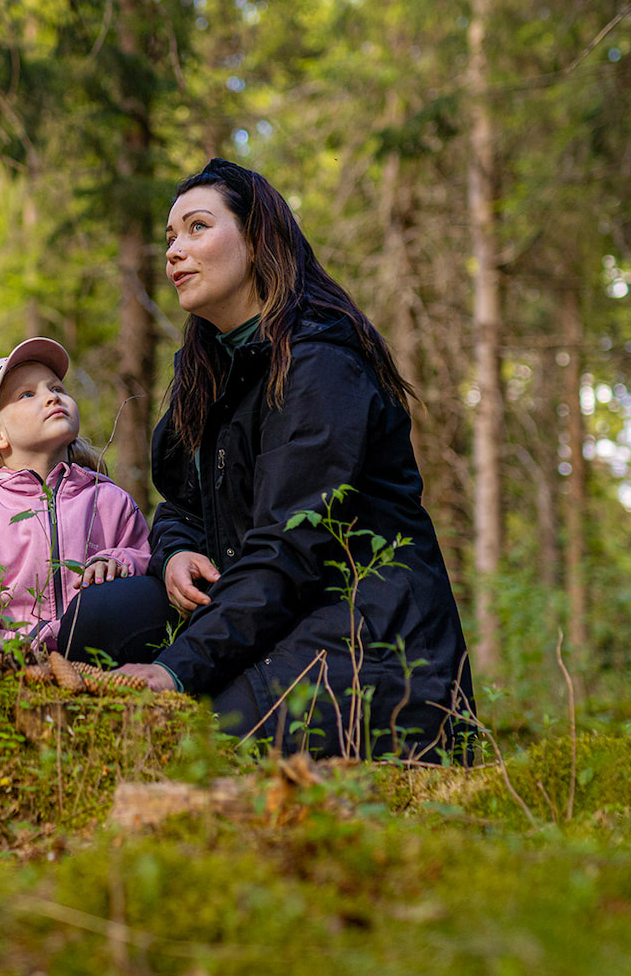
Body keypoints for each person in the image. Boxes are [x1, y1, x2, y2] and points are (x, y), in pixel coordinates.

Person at [63, 159, 474, 760]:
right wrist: (176, 553)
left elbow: (288, 552)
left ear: (257, 240)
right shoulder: (206, 368)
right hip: (253, 610)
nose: (175, 251)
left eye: (198, 227)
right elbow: (181, 502)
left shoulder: (320, 363)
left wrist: (177, 671)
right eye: (170, 238)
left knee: (200, 745)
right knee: (94, 622)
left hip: (361, 633)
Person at [0, 338, 152, 717]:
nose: (51, 397)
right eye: (27, 394)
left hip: (88, 660)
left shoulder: (109, 500)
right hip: (4, 660)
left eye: (57, 388)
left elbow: (145, 562)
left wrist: (119, 559)